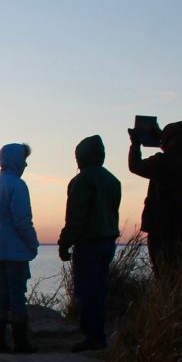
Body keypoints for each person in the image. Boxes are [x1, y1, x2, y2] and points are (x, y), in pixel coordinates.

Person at [58, 135, 122, 351]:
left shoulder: (81, 181)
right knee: (99, 290)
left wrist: (64, 243)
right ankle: (97, 334)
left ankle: (92, 337)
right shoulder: (113, 181)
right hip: (108, 242)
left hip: (88, 244)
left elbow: (75, 217)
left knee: (86, 291)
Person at [128, 120, 182, 277]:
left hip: (159, 224)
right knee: (178, 269)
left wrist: (135, 144)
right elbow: (175, 151)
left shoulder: (161, 162)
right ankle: (177, 300)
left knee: (161, 272)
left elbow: (135, 166)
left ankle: (164, 300)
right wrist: (162, 137)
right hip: (181, 224)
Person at [0, 143, 40, 354]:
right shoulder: (17, 185)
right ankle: (20, 342)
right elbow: (22, 221)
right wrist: (33, 243)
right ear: (16, 160)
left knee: (1, 293)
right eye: (24, 159)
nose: (26, 164)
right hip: (14, 249)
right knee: (17, 294)